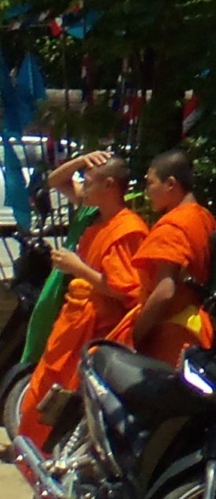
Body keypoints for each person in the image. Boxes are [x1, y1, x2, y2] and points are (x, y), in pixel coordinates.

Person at [17, 150, 146, 448]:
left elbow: (125, 290)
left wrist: (78, 268)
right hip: (73, 322)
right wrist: (82, 160)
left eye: (89, 182)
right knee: (40, 397)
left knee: (63, 408)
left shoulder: (128, 228)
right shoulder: (95, 217)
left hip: (95, 331)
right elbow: (55, 180)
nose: (83, 187)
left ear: (110, 185)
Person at [106, 148, 216, 366]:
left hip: (172, 329)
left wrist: (135, 334)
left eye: (150, 183)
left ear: (171, 184)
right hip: (195, 322)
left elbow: (165, 290)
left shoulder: (173, 226)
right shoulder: (204, 217)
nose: (147, 191)